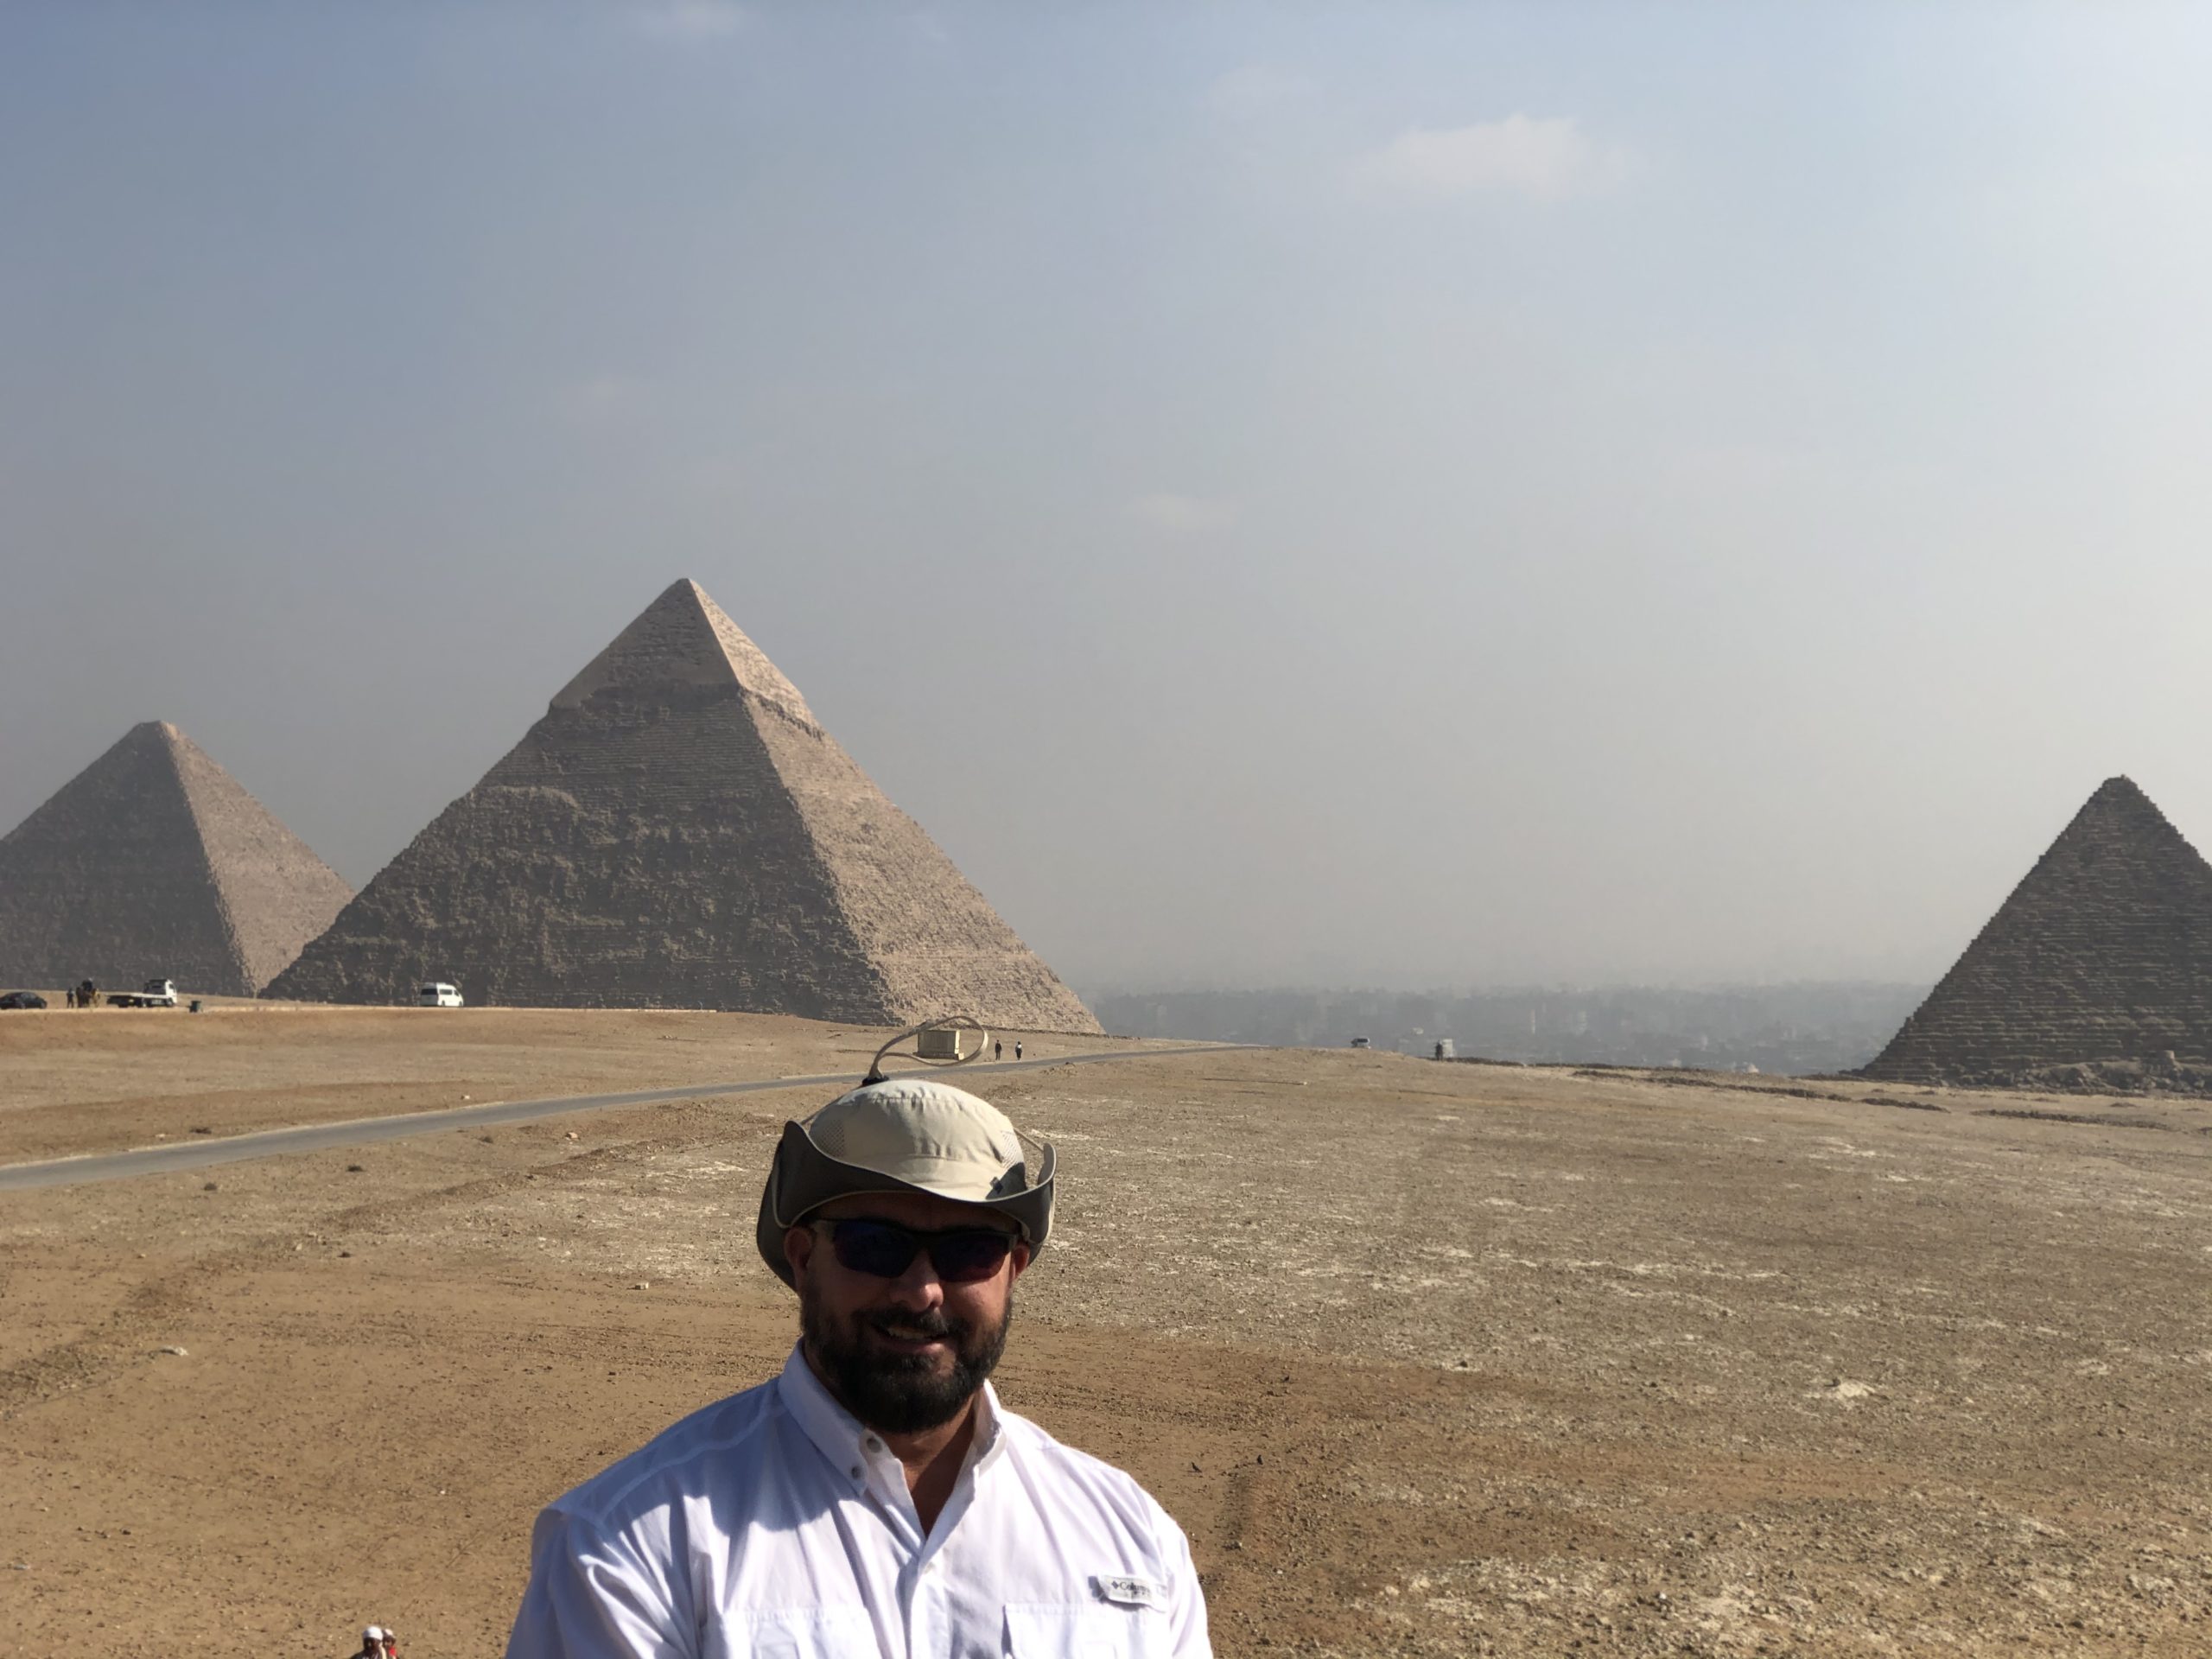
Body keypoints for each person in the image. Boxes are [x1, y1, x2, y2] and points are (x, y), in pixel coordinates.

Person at [505, 1077, 1210, 1656]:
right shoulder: (631, 1548)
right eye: (877, 1245)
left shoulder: (1134, 1544)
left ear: (1012, 1271)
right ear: (806, 1258)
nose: (922, 1290)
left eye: (969, 1251)